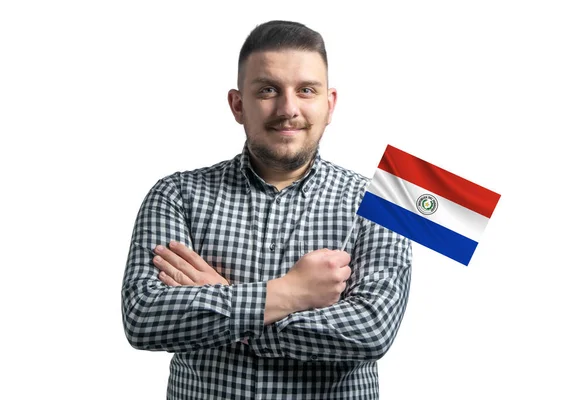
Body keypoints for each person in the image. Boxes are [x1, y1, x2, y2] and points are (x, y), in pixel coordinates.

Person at [122, 20, 412, 400]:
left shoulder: (384, 201)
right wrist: (289, 292)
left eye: (306, 90)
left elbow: (371, 331)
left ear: (330, 104)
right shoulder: (176, 194)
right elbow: (145, 317)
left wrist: (229, 303)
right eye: (268, 90)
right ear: (238, 104)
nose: (288, 108)